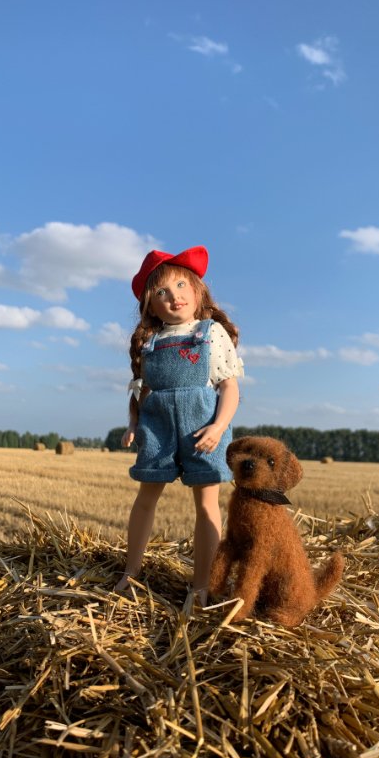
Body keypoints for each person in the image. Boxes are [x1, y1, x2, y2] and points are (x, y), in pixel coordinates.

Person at [116, 246, 243, 606]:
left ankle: (202, 583)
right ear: (150, 306)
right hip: (157, 430)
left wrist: (219, 426)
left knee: (206, 504)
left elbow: (229, 386)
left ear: (198, 290)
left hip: (202, 428)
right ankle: (131, 572)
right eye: (162, 292)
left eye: (182, 285)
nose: (175, 297)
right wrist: (132, 423)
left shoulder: (211, 333)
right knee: (145, 499)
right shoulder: (150, 342)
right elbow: (143, 390)